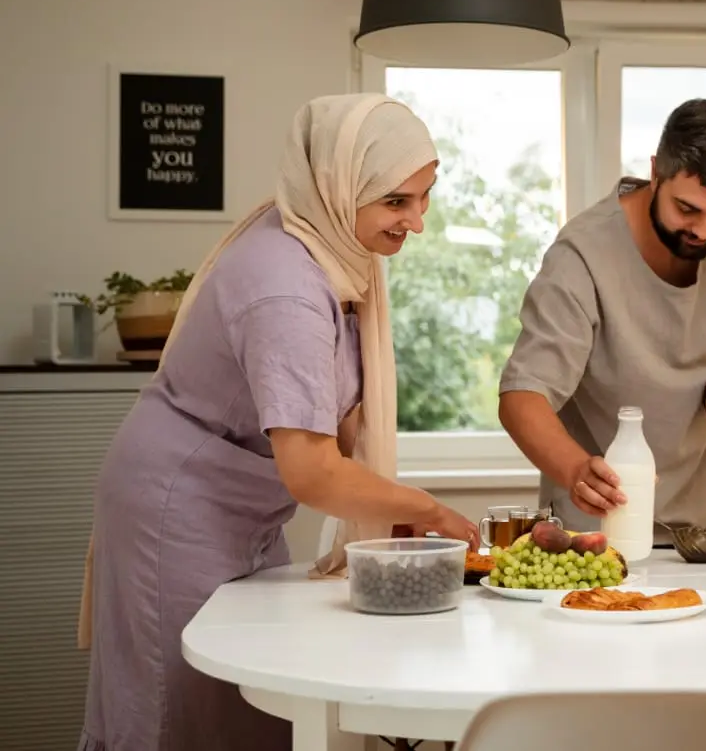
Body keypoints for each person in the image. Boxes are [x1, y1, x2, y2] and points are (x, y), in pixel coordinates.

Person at [77, 93, 480, 751]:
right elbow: (314, 470)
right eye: (396, 202)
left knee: (254, 706)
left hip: (242, 506)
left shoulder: (329, 249)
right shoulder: (286, 288)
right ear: (337, 185)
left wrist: (391, 507)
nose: (418, 221)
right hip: (176, 507)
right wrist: (430, 510)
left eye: (424, 195)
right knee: (176, 712)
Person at [498, 98, 706, 541]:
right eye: (687, 209)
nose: (704, 231)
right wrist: (575, 471)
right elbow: (521, 397)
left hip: (698, 530)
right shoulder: (582, 256)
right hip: (591, 530)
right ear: (655, 173)